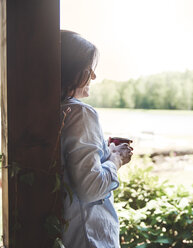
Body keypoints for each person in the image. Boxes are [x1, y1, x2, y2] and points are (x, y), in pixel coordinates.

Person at [60, 30, 133, 248]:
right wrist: (117, 158)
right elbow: (91, 188)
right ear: (72, 71)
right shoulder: (80, 113)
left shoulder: (47, 111)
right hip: (88, 237)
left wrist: (105, 153)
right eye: (88, 69)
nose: (93, 76)